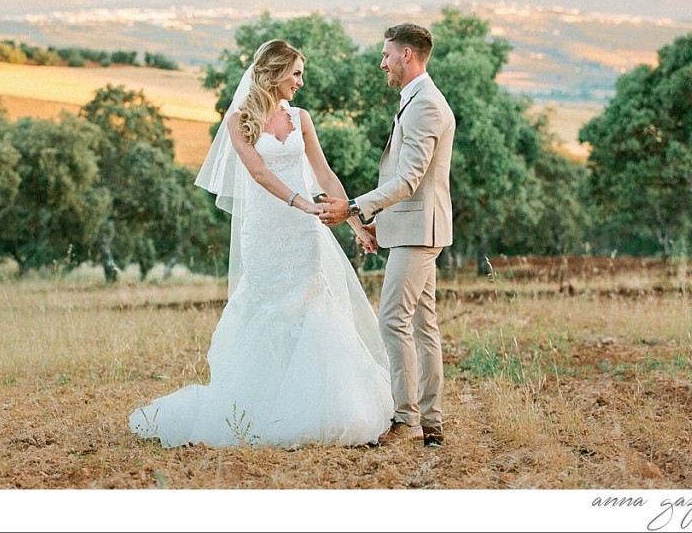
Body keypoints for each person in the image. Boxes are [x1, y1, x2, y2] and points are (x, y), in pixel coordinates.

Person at [129, 39, 393, 448]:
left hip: (305, 233)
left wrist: (356, 223)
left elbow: (325, 175)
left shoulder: (301, 118)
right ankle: (261, 407)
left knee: (311, 308)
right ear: (274, 73)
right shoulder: (239, 120)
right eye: (296, 73)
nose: (301, 82)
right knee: (267, 309)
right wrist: (302, 203)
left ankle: (319, 404)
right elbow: (258, 173)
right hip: (267, 230)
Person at [319, 23, 455, 448]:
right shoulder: (417, 100)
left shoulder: (424, 105)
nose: (382, 63)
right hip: (413, 226)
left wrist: (356, 207)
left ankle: (408, 419)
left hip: (420, 230)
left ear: (407, 56)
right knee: (422, 324)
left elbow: (410, 179)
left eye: (386, 55)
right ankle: (429, 422)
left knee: (392, 319)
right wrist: (384, 223)